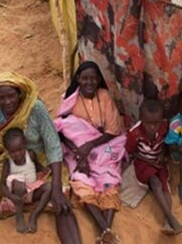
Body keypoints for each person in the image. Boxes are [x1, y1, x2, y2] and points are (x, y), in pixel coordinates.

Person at [0, 72, 81, 244]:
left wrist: (57, 188)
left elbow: (53, 146)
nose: (7, 101)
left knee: (61, 202)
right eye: (1, 98)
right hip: (7, 166)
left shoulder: (35, 108)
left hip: (39, 162)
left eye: (11, 96)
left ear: (19, 94)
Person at [55, 61, 126, 244]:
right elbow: (62, 130)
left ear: (99, 80)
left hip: (103, 145)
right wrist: (80, 154)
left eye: (93, 78)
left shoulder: (104, 96)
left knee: (109, 181)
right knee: (81, 181)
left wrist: (90, 145)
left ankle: (105, 231)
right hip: (76, 150)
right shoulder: (70, 98)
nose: (89, 82)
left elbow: (113, 130)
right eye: (85, 78)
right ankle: (105, 230)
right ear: (78, 79)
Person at [125, 100, 182, 235]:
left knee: (165, 186)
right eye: (148, 123)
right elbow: (132, 152)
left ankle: (167, 222)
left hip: (159, 160)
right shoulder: (134, 133)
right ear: (141, 119)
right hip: (143, 161)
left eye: (156, 123)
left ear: (161, 119)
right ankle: (171, 219)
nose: (153, 127)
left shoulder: (164, 127)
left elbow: (166, 144)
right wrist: (148, 161)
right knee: (155, 182)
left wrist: (162, 155)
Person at [0, 128, 52, 234]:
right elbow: (2, 185)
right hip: (17, 197)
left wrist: (44, 169)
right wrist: (12, 197)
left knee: (49, 187)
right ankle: (19, 216)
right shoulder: (8, 163)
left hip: (31, 192)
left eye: (20, 149)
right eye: (13, 152)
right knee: (19, 184)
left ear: (25, 145)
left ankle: (34, 215)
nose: (17, 154)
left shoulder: (31, 155)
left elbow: (37, 166)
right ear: (7, 151)